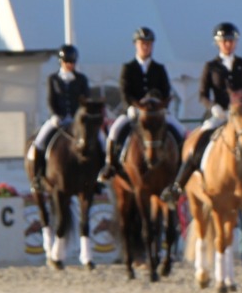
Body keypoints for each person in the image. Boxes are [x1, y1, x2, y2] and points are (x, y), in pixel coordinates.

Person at [163, 22, 242, 204]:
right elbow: (202, 95)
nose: (228, 44)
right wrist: (214, 107)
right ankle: (178, 184)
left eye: (231, 41)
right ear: (218, 43)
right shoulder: (211, 66)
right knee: (199, 142)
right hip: (220, 115)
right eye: (224, 41)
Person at [98, 26, 182, 185]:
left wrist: (161, 105)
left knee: (179, 130)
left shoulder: (159, 68)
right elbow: (124, 90)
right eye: (142, 43)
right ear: (136, 45)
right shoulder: (128, 68)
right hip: (135, 111)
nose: (145, 46)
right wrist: (131, 105)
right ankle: (110, 165)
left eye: (148, 44)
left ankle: (182, 165)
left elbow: (165, 90)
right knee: (114, 131)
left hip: (156, 112)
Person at [29, 44, 93, 184]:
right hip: (59, 119)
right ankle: (38, 175)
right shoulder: (53, 79)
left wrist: (80, 116)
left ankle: (98, 176)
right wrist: (56, 115)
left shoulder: (81, 79)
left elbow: (86, 100)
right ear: (61, 62)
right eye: (67, 62)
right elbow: (51, 100)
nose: (70, 65)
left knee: (99, 139)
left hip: (78, 121)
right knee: (39, 142)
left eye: (72, 62)